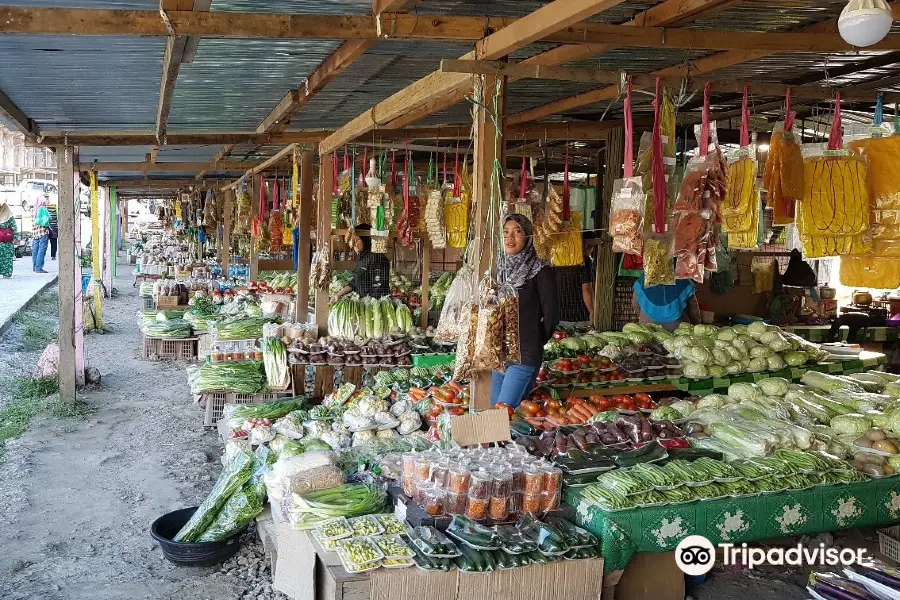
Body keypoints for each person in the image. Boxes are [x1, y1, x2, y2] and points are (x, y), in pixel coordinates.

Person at [491, 214, 559, 409]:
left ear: (528, 236)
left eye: (517, 232)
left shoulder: (540, 270)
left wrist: (534, 340)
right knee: (494, 412)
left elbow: (552, 314)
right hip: (499, 356)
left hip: (524, 355)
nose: (510, 238)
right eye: (505, 233)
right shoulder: (498, 270)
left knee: (503, 412)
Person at [330, 224, 390, 301]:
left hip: (374, 305)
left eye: (357, 240)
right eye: (354, 240)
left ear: (366, 239)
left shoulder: (378, 258)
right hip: (363, 302)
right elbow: (355, 281)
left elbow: (379, 287)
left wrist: (369, 303)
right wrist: (338, 295)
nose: (355, 244)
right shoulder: (361, 256)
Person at [631, 274, 701, 332]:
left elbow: (635, 304)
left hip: (647, 329)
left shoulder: (643, 278)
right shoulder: (684, 280)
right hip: (677, 331)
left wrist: (645, 317)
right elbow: (694, 312)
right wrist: (696, 327)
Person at [555, 249, 595, 326]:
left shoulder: (555, 259)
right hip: (579, 316)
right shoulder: (584, 260)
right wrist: (592, 311)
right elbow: (586, 290)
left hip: (557, 315)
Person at [31, 194, 50, 273]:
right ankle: (38, 268)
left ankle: (34, 267)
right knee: (41, 251)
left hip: (35, 233)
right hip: (42, 232)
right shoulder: (43, 209)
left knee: (35, 250)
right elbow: (46, 221)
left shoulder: (34, 209)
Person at [0, 198, 16, 278]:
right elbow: (14, 227)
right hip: (7, 242)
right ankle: (6, 273)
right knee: (7, 258)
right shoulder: (9, 215)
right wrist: (15, 238)